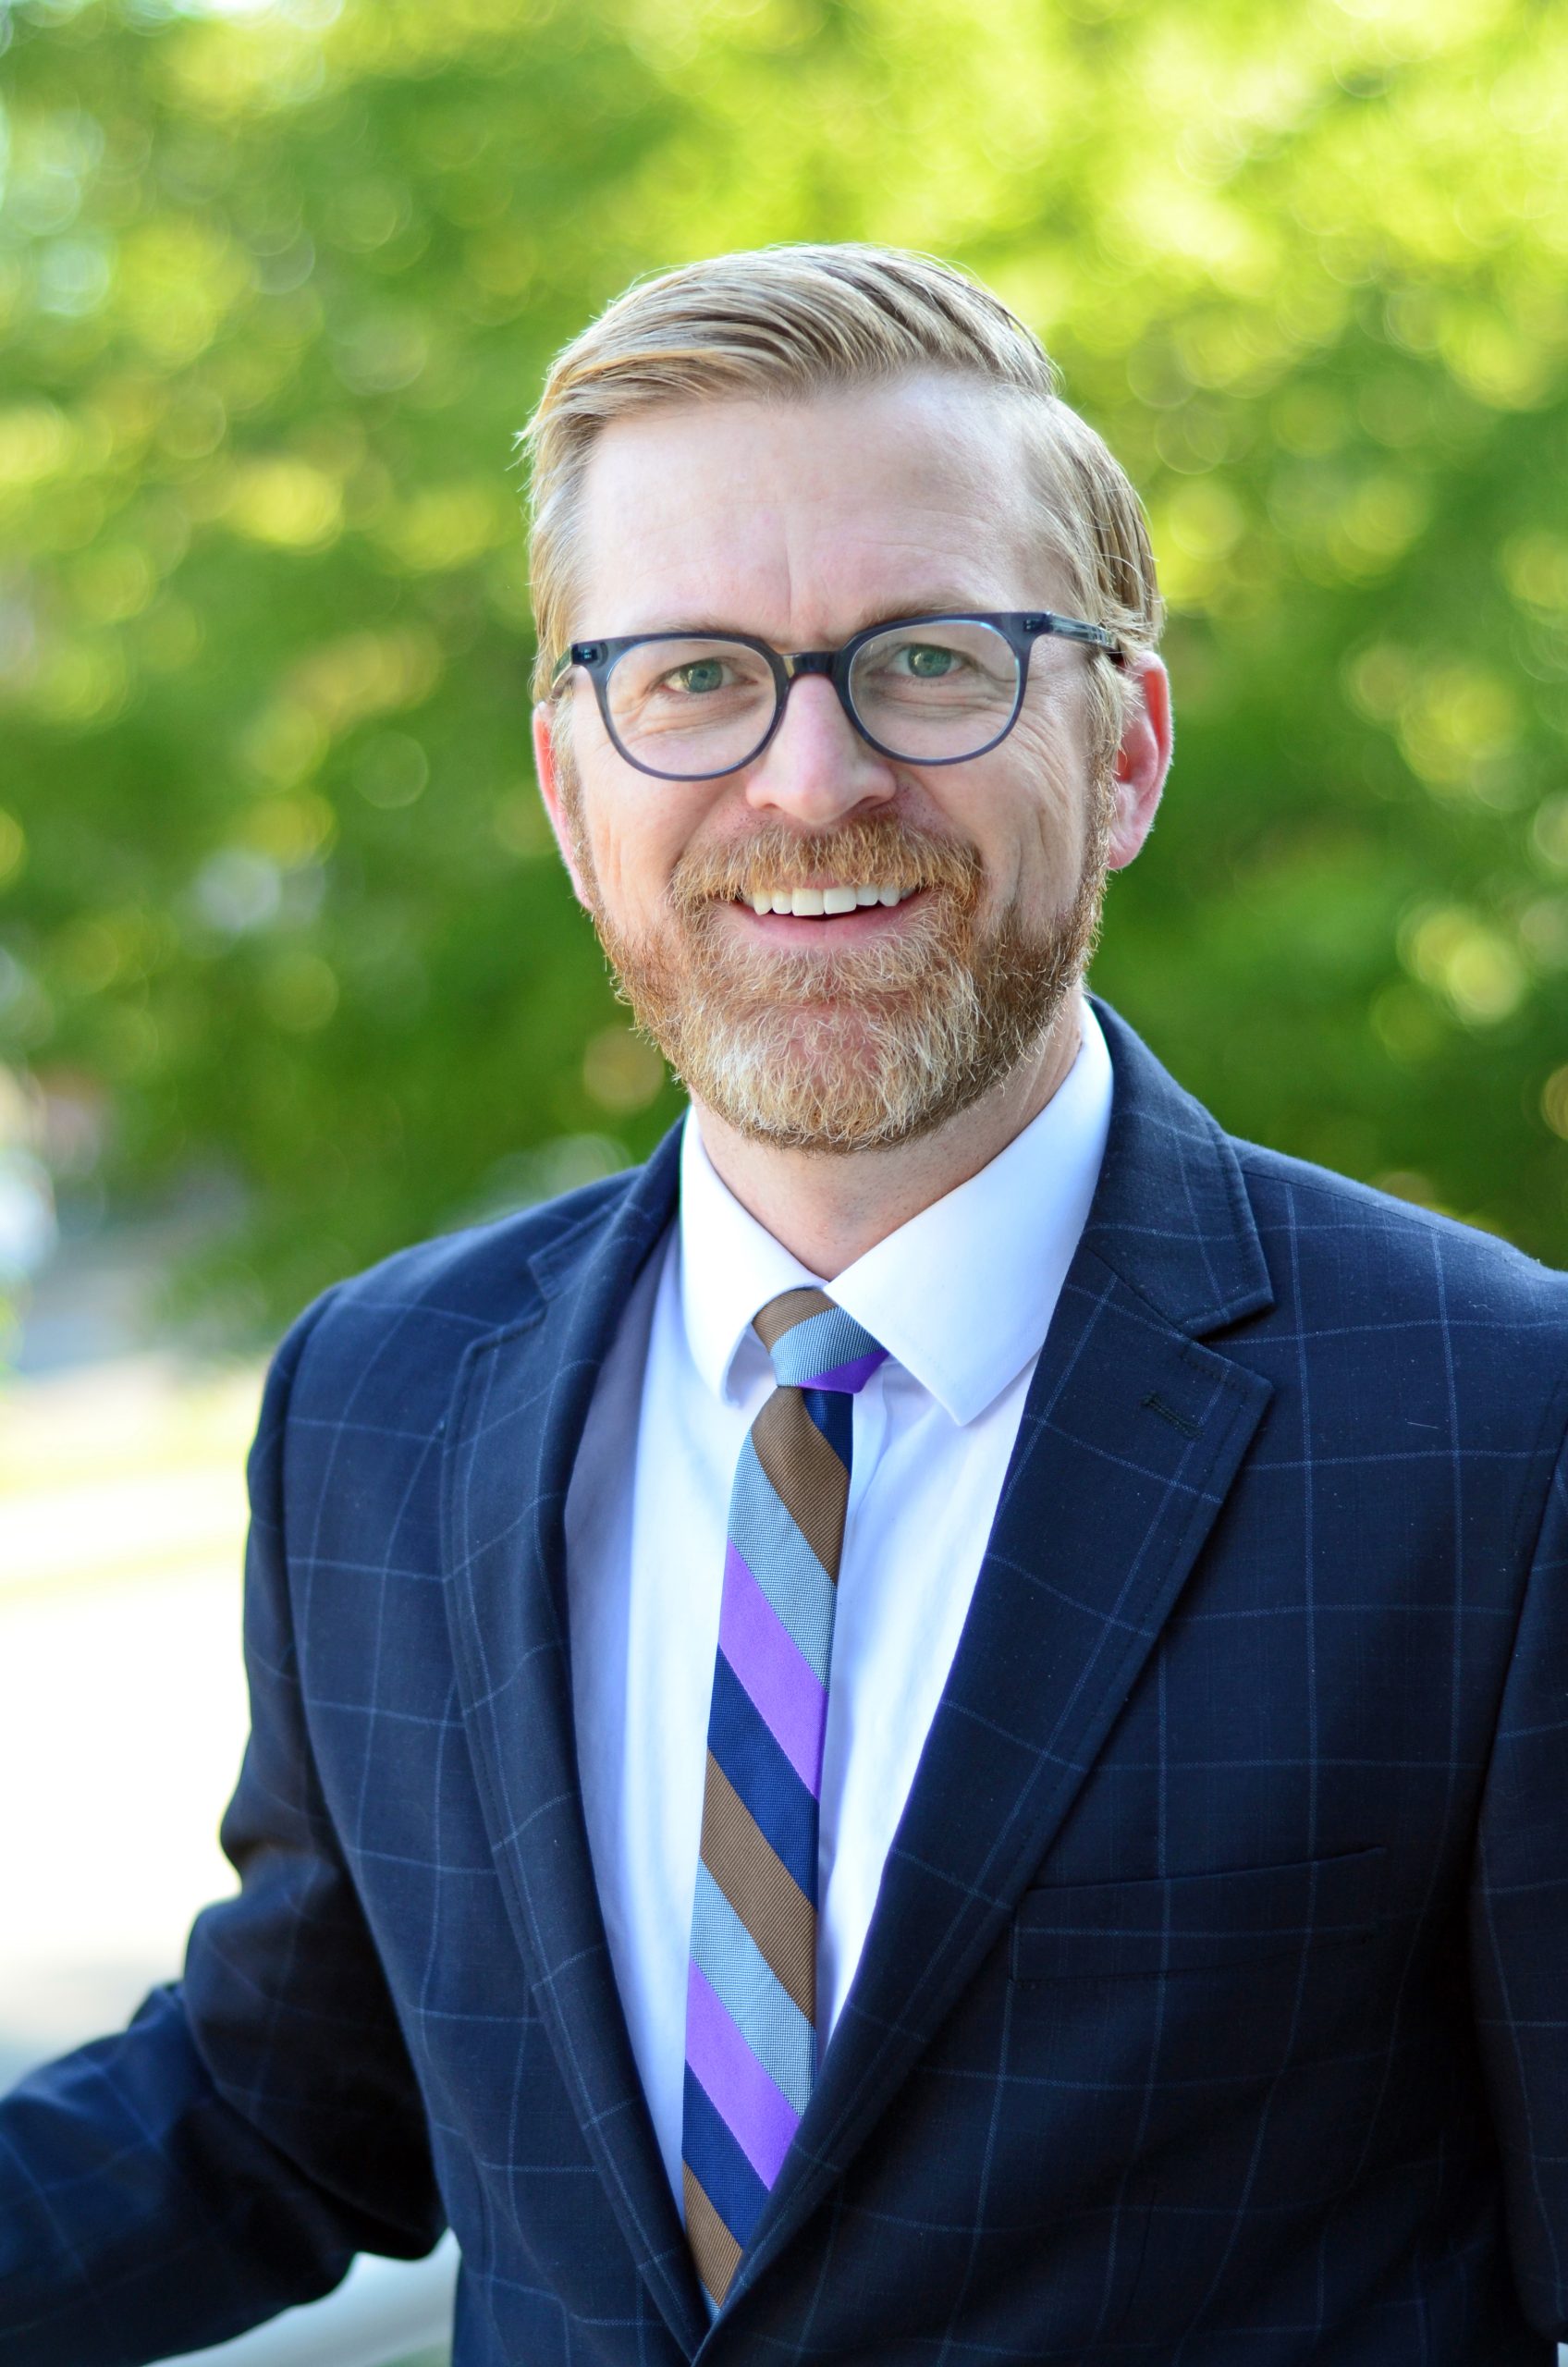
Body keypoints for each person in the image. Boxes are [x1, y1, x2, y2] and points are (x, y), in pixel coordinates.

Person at [3, 242, 1566, 2367]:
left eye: (927, 659)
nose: (811, 780)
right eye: (692, 676)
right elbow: (287, 2106)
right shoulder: (380, 1400)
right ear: (570, 789)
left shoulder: (1493, 1427)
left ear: (1121, 750)